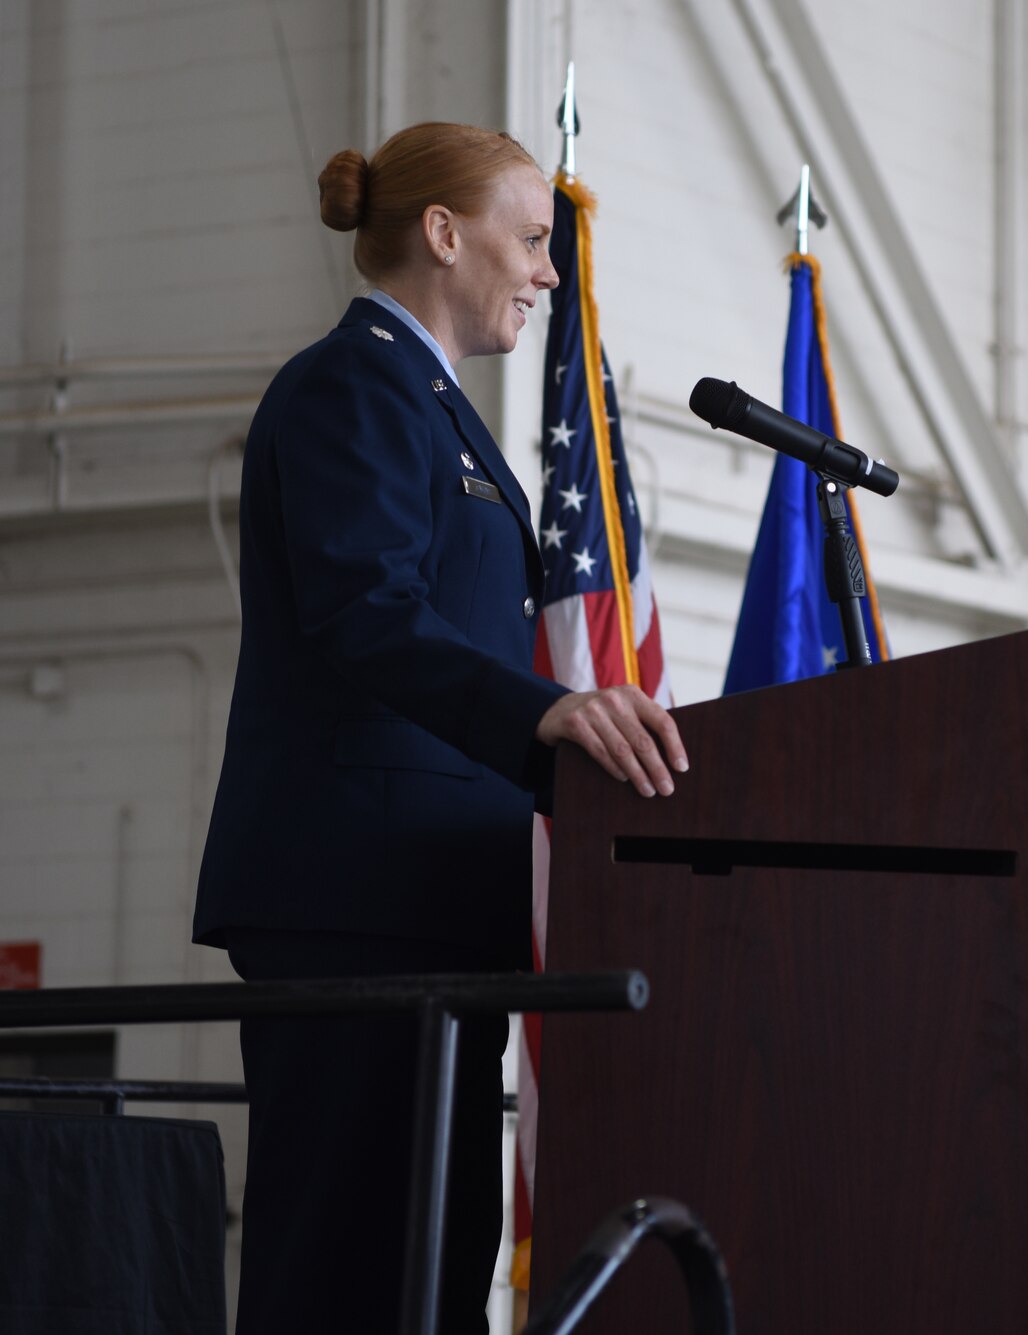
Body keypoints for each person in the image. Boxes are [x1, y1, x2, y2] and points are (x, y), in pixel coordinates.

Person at [192, 123, 687, 1335]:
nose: (549, 272)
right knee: (344, 1268)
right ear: (442, 233)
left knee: (435, 1263)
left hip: (431, 907)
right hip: (352, 904)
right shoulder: (351, 385)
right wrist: (546, 709)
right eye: (531, 240)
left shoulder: (432, 405)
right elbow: (366, 611)